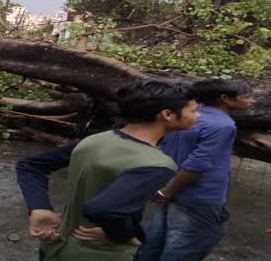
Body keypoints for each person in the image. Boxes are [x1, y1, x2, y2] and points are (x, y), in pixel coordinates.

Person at [15, 80, 199, 261]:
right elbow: (102, 209)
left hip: (56, 246)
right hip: (99, 254)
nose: (198, 116)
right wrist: (125, 235)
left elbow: (31, 166)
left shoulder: (95, 140)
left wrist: (39, 207)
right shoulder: (158, 164)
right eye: (194, 110)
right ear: (167, 115)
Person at [134, 78, 255, 261]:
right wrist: (169, 191)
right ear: (226, 99)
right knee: (184, 248)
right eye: (247, 97)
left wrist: (164, 189)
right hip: (198, 197)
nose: (252, 101)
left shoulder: (182, 118)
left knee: (154, 244)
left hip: (167, 189)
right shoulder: (223, 126)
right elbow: (197, 164)